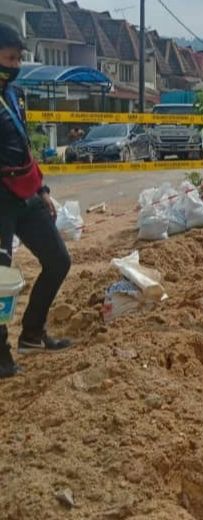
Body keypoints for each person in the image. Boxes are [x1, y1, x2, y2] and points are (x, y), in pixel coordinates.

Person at [0, 23, 72, 379]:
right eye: (9, 57)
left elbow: (24, 147)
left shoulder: (14, 94)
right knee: (0, 277)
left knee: (58, 260)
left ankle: (32, 332)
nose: (14, 64)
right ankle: (1, 355)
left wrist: (41, 190)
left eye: (17, 58)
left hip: (25, 193)